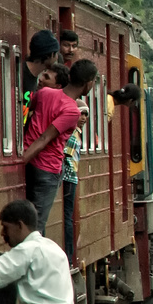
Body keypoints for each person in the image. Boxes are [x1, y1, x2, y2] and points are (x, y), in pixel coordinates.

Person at [22, 58, 96, 236]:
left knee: (27, 222)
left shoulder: (45, 93)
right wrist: (20, 161)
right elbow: (45, 138)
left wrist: (21, 158)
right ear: (88, 84)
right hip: (46, 169)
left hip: (29, 162)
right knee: (36, 227)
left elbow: (25, 111)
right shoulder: (72, 111)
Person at [61, 100, 88, 260]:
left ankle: (69, 254)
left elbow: (66, 154)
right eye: (81, 114)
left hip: (69, 177)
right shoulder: (75, 133)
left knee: (67, 216)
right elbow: (67, 154)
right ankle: (69, 255)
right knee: (68, 216)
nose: (84, 118)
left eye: (85, 114)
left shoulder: (74, 133)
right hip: (70, 178)